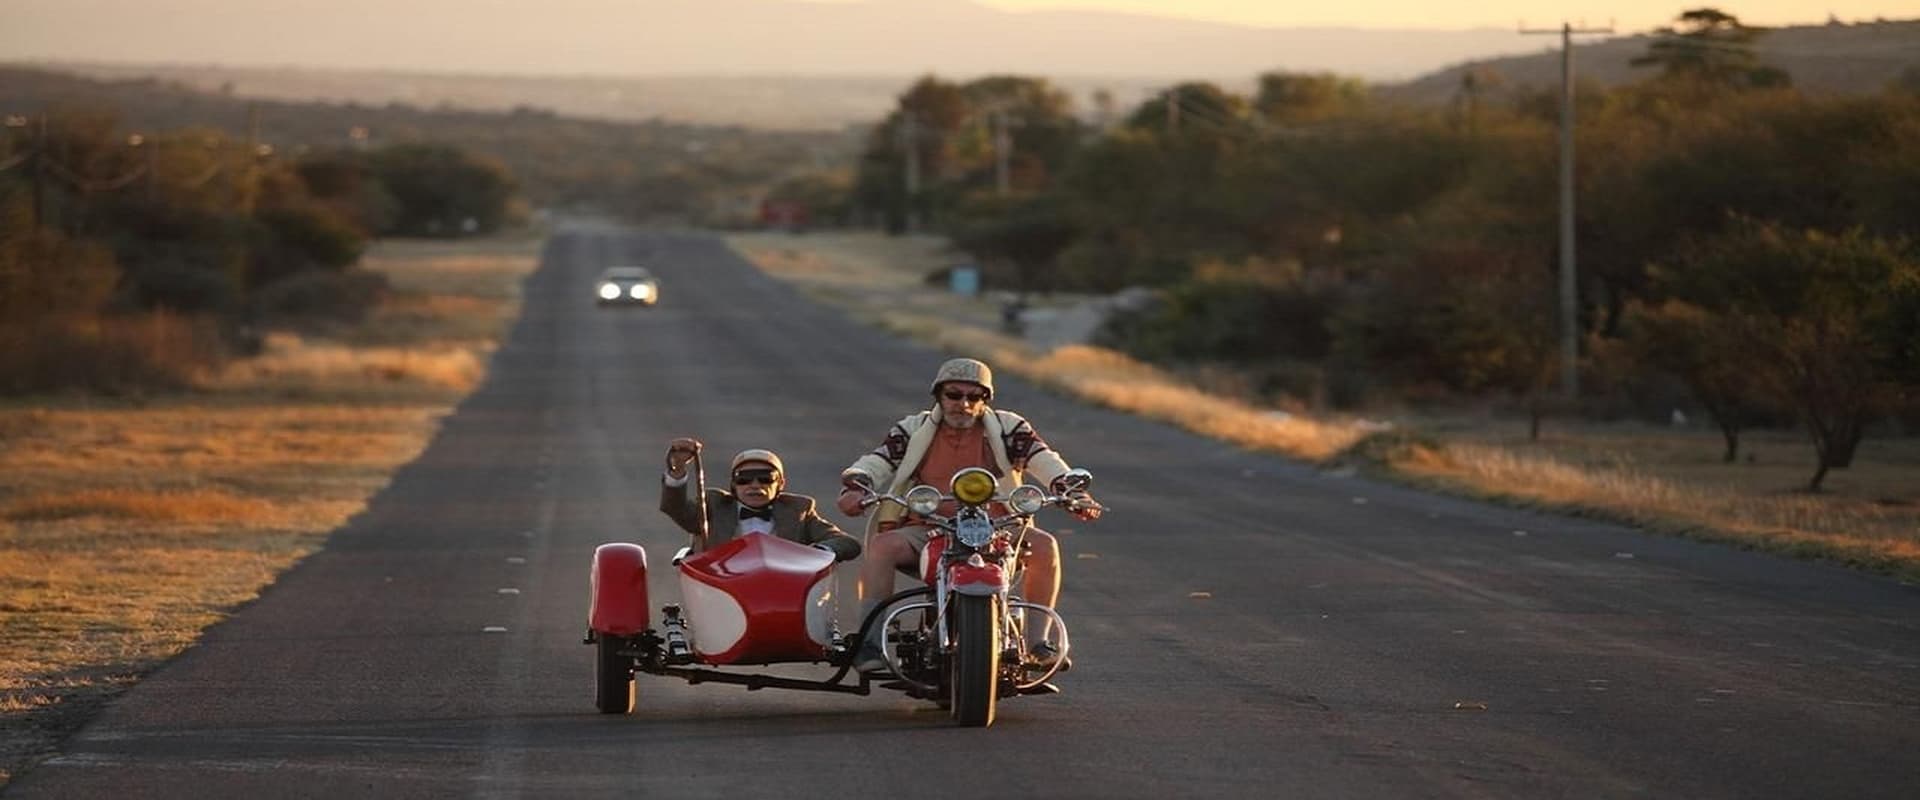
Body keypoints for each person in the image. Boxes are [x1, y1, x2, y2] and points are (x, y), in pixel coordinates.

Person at [837, 357, 1100, 672]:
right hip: (930, 526)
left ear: (985, 400)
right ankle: (870, 643)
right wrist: (858, 484)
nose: (962, 404)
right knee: (882, 546)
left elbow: (1043, 458)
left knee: (1045, 546)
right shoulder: (913, 429)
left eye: (973, 397)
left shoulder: (1008, 427)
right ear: (938, 396)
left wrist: (1071, 489)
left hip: (998, 526)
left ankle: (1037, 643)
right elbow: (878, 461)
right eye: (953, 394)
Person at [661, 439, 861, 562]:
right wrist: (677, 469)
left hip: (783, 592)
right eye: (744, 479)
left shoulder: (798, 511)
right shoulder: (713, 506)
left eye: (766, 478)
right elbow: (675, 508)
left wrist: (818, 553)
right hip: (722, 592)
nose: (755, 485)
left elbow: (848, 543)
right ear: (733, 485)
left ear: (780, 483)